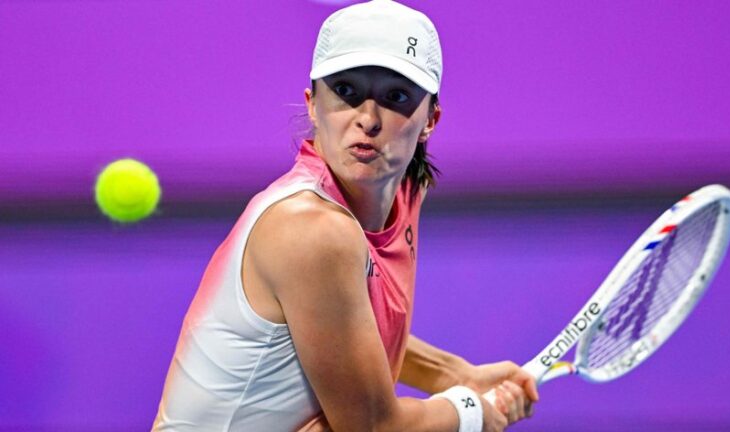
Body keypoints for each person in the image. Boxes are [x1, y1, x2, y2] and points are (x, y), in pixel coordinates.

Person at [153, 1, 538, 431]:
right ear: (312, 103)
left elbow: (342, 326)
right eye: (346, 91)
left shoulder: (405, 193)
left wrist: (453, 373)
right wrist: (470, 411)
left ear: (430, 118)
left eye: (396, 97)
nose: (368, 119)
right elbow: (372, 427)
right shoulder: (312, 228)